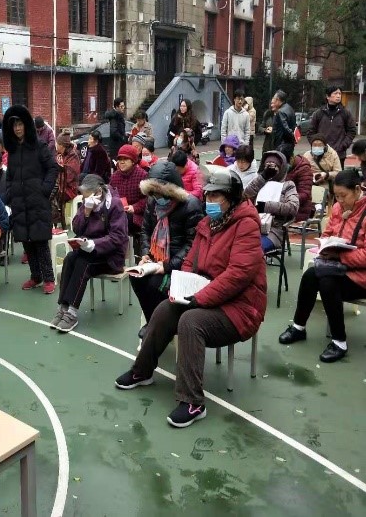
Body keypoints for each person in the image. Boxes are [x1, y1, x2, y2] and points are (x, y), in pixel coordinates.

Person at [115, 170, 266, 428]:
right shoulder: (208, 224)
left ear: (231, 198)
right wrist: (181, 286)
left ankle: (193, 401)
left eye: (216, 196)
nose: (209, 200)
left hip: (241, 307)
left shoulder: (246, 225)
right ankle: (142, 371)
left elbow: (238, 275)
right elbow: (189, 261)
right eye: (208, 195)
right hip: (208, 294)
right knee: (165, 309)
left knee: (190, 321)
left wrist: (199, 297)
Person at [279, 169, 366, 362]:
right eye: (336, 196)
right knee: (310, 275)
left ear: (357, 189)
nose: (340, 201)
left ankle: (339, 341)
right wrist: (325, 245)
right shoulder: (338, 208)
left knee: (327, 282)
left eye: (343, 195)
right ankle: (299, 327)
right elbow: (327, 234)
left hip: (360, 277)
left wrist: (340, 256)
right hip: (337, 267)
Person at [132, 162, 203, 337]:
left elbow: (193, 245)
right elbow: (145, 230)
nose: (156, 197)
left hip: (181, 265)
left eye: (159, 193)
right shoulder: (152, 202)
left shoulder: (190, 205)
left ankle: (162, 325)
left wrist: (167, 265)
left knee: (154, 284)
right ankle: (153, 321)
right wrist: (146, 254)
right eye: (153, 193)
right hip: (157, 258)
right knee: (136, 277)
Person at [50, 174, 129, 332]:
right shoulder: (87, 204)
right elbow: (77, 228)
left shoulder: (114, 205)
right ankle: (63, 306)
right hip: (89, 251)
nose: (85, 199)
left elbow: (117, 237)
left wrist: (94, 244)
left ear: (98, 191)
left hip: (111, 257)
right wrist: (86, 212)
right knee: (70, 258)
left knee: (82, 263)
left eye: (87, 195)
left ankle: (72, 312)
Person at [3, 105, 58, 293]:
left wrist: (44, 189)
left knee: (40, 241)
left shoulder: (39, 146)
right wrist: (10, 193)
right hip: (19, 202)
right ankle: (36, 276)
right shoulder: (12, 151)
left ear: (26, 125)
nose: (17, 128)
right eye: (14, 125)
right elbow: (9, 176)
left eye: (20, 124)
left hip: (37, 201)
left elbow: (52, 168)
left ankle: (49, 278)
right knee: (27, 241)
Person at [243, 150, 299, 252]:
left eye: (274, 166)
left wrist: (265, 206)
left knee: (253, 249)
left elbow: (293, 207)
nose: (270, 168)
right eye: (267, 165)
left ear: (281, 168)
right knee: (236, 245)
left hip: (274, 231)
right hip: (253, 227)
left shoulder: (288, 185)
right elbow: (245, 195)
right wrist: (264, 176)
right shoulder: (260, 182)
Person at [109, 145, 148, 253]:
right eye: (120, 159)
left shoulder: (143, 176)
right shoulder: (114, 177)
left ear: (133, 161)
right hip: (118, 212)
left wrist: (134, 207)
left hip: (137, 215)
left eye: (125, 159)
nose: (121, 162)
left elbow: (148, 199)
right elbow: (110, 196)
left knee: (124, 219)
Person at [308, 86, 356, 169]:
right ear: (328, 96)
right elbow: (311, 132)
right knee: (320, 174)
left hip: (339, 154)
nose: (338, 96)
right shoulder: (319, 113)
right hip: (320, 153)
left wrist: (343, 145)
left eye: (340, 93)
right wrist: (316, 145)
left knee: (337, 175)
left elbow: (351, 131)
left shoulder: (345, 113)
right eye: (335, 93)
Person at [51, 132, 81, 228]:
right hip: (58, 186)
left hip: (69, 189)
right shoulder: (59, 155)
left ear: (62, 145)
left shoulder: (73, 156)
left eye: (57, 143)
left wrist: (55, 177)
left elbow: (68, 177)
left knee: (49, 195)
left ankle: (55, 218)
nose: (56, 145)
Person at [284, 148, 314, 221]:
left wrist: (287, 200)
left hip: (300, 209)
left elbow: (305, 193)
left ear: (292, 158)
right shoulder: (280, 168)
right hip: (283, 207)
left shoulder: (304, 169)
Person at [270, 90, 296, 159]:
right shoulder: (290, 108)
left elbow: (285, 128)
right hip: (289, 145)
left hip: (281, 145)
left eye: (273, 98)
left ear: (278, 100)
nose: (272, 101)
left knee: (281, 162)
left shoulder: (280, 112)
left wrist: (293, 136)